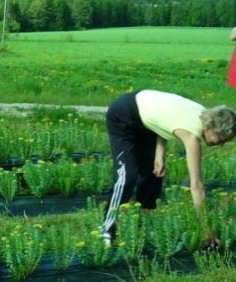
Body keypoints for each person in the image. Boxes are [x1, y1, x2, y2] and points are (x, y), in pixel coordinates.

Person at [100, 89, 236, 244]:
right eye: (222, 139)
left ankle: (140, 225)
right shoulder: (191, 135)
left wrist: (159, 153)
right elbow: (196, 185)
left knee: (153, 176)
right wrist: (205, 229)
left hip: (146, 119)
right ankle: (107, 227)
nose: (221, 144)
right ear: (215, 128)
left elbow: (165, 119)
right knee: (127, 176)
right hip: (124, 114)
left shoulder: (203, 114)